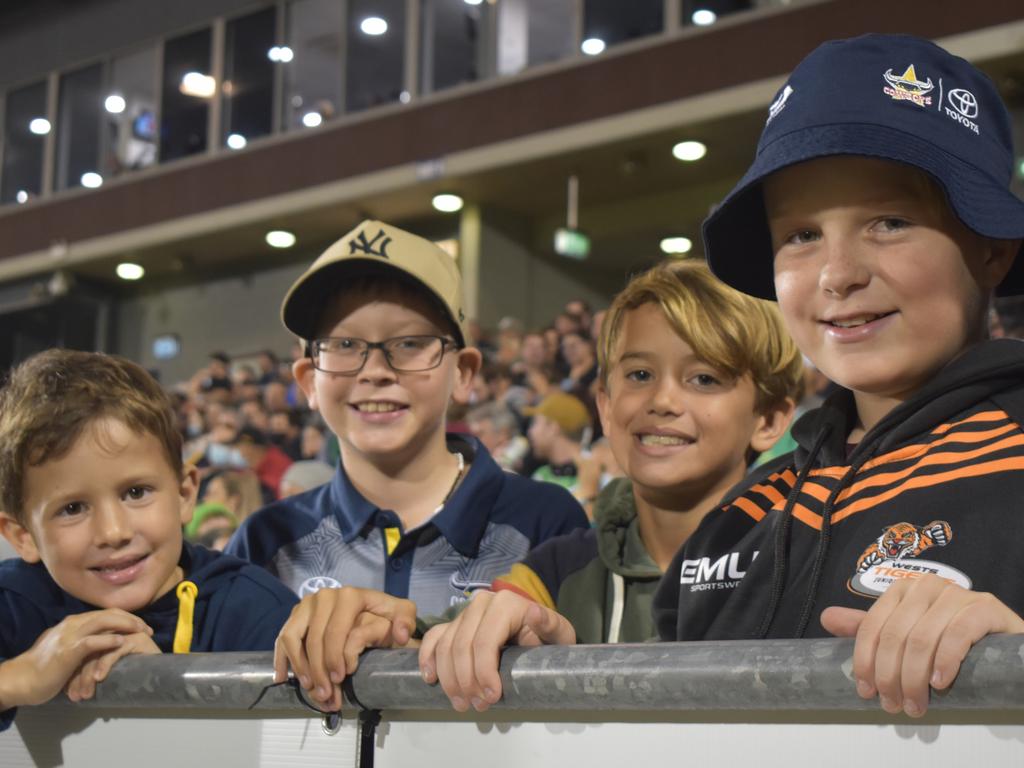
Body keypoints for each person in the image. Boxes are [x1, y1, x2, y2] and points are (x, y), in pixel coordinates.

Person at [650, 33, 1024, 718]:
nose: (838, 274)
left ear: (994, 247)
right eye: (800, 235)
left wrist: (1014, 661)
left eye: (889, 221)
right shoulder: (741, 516)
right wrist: (540, 653)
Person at [415, 260, 801, 710]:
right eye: (640, 375)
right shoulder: (556, 570)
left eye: (704, 378)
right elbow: (425, 650)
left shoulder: (807, 553)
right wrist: (367, 627)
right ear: (605, 405)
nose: (663, 401)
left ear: (769, 419)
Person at [226, 220, 588, 620]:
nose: (376, 370)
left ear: (463, 374)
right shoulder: (268, 541)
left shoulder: (543, 522)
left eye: (411, 343)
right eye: (345, 344)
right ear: (309, 381)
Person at [0, 350, 299, 731]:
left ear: (185, 494)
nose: (113, 532)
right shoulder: (13, 601)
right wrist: (17, 679)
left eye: (136, 492)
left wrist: (163, 682)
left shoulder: (252, 609)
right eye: (73, 508)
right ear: (23, 536)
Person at [525, 392, 592, 497]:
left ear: (553, 427)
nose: (530, 432)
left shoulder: (595, 470)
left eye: (535, 423)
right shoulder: (540, 476)